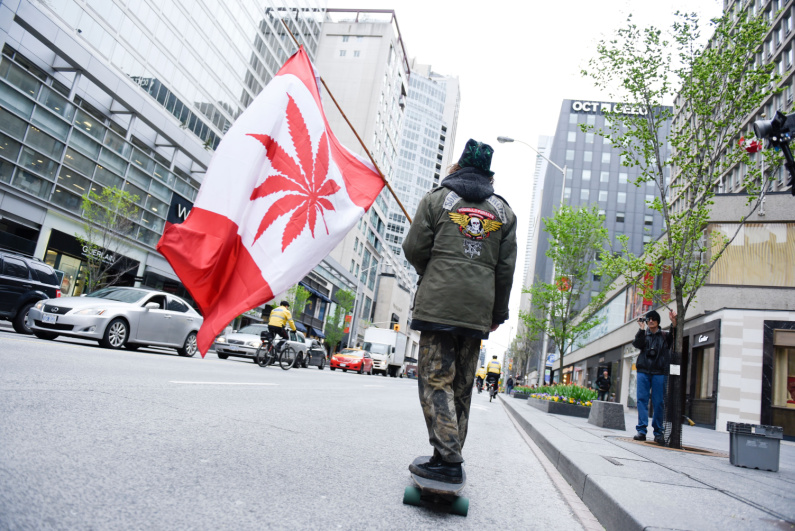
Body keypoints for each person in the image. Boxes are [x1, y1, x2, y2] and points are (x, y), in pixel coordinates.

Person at [402, 139, 517, 484]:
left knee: (435, 379)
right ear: (489, 175)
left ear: (458, 165)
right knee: (463, 385)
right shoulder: (504, 213)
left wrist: (433, 270)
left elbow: (413, 248)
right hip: (476, 311)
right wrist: (497, 312)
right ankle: (446, 455)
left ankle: (448, 459)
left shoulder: (437, 199)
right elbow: (505, 270)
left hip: (439, 304)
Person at [632, 309, 677, 444]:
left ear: (658, 321)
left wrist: (674, 321)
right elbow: (637, 344)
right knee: (642, 400)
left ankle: (658, 432)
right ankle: (641, 431)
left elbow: (674, 334)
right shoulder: (643, 335)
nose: (650, 321)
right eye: (648, 319)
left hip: (659, 372)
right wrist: (641, 329)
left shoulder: (664, 335)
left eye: (653, 319)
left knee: (659, 402)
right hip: (643, 371)